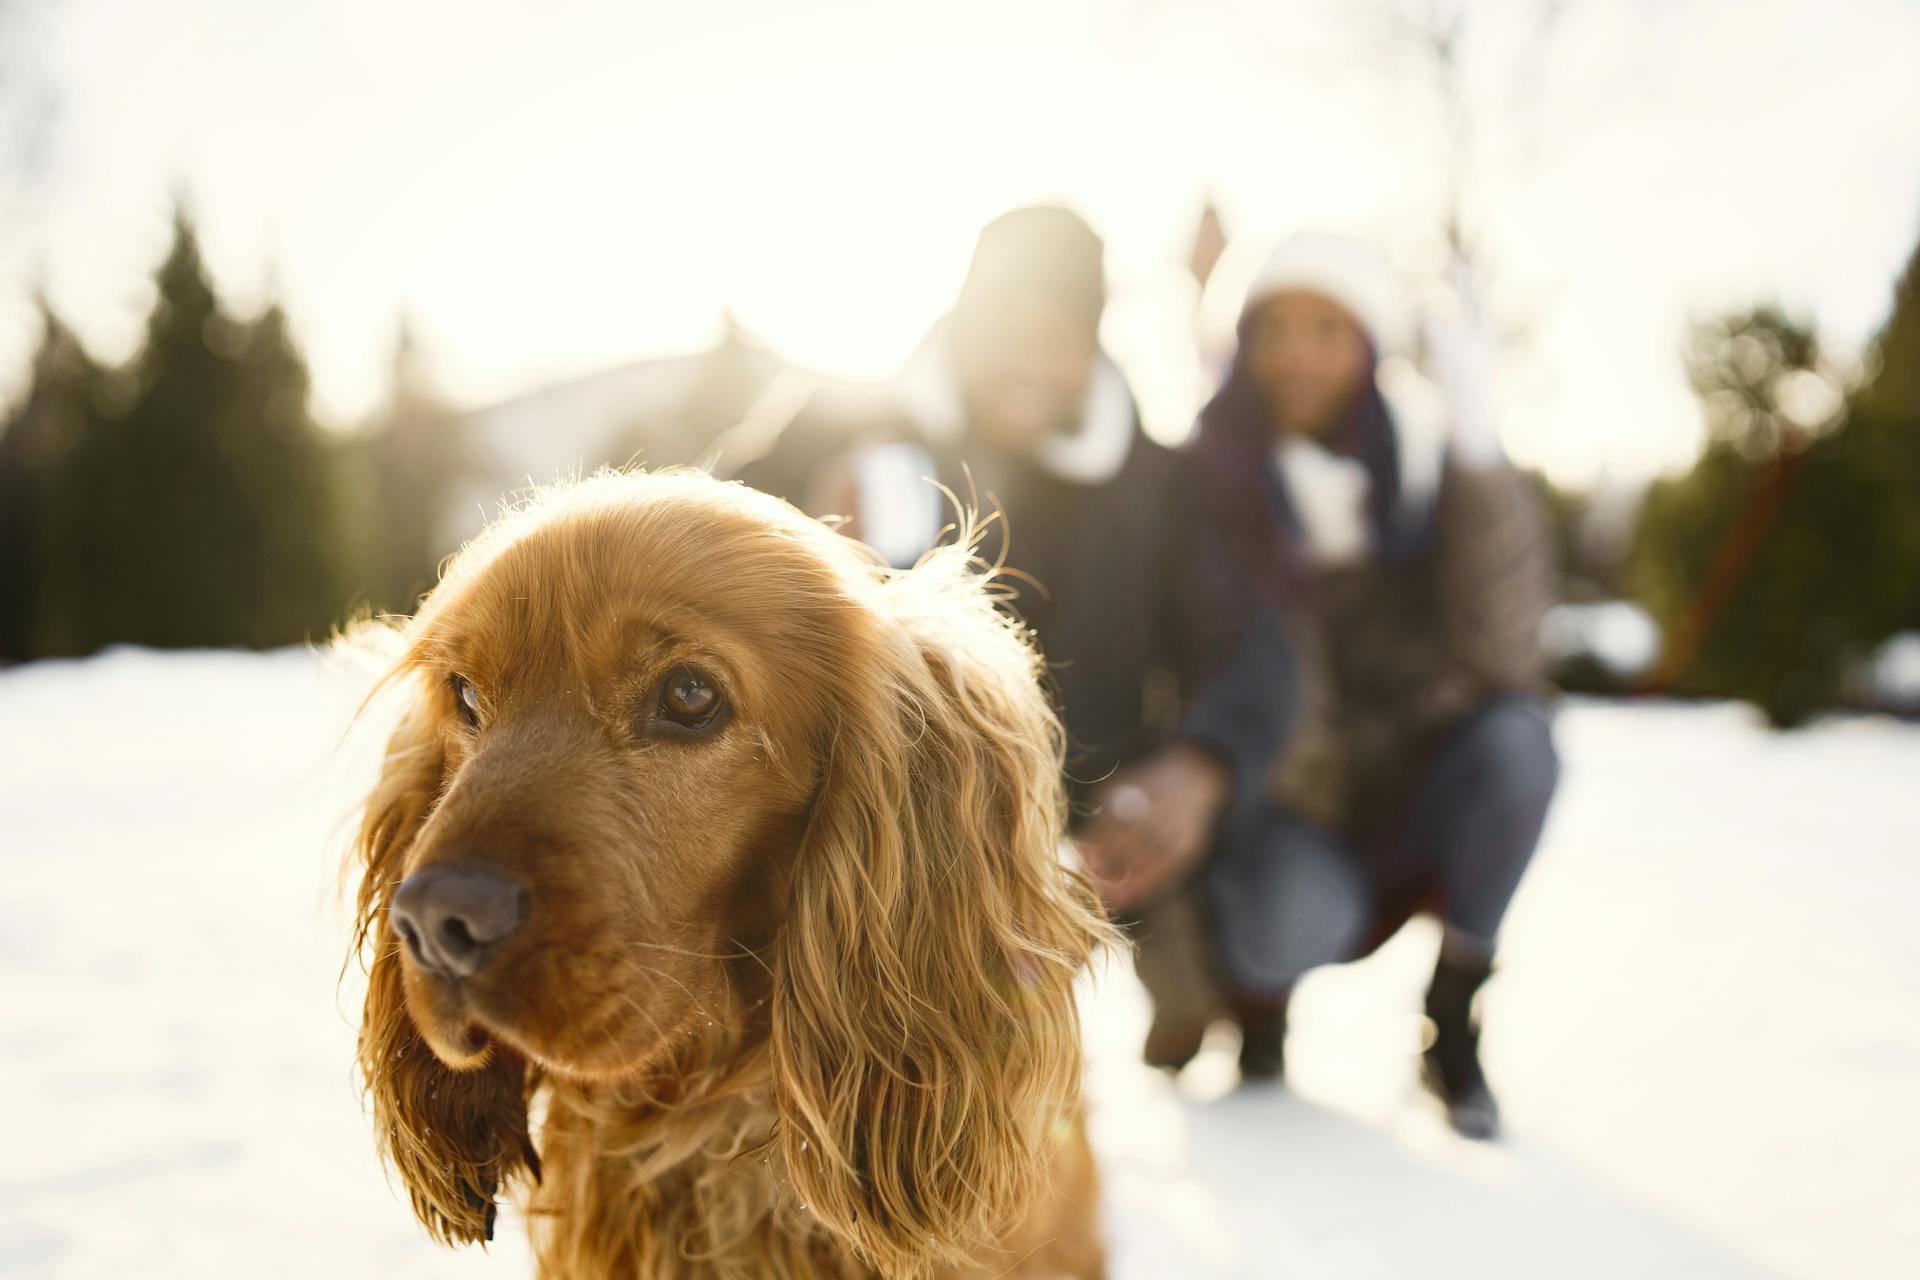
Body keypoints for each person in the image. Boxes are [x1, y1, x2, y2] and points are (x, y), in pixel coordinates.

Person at [731, 204, 1293, 960]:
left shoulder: (1160, 482)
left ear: (1092, 348)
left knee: (1281, 900)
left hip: (1083, 798)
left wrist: (1200, 769)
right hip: (867, 792)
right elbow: (681, 535)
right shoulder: (838, 427)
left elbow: (1252, 640)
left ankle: (1160, 946)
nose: (1028, 361)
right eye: (1005, 326)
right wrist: (797, 538)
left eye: (1056, 337)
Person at [1138, 232, 1560, 1141]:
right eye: (1274, 328)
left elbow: (1507, 651)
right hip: (1279, 811)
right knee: (1290, 916)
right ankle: (1255, 1002)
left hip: (1408, 797)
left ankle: (1451, 1017)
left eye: (1327, 329)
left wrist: (1481, 450)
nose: (1298, 354)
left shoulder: (1426, 472)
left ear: (1368, 346)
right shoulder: (1203, 482)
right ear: (1240, 346)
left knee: (1521, 743)